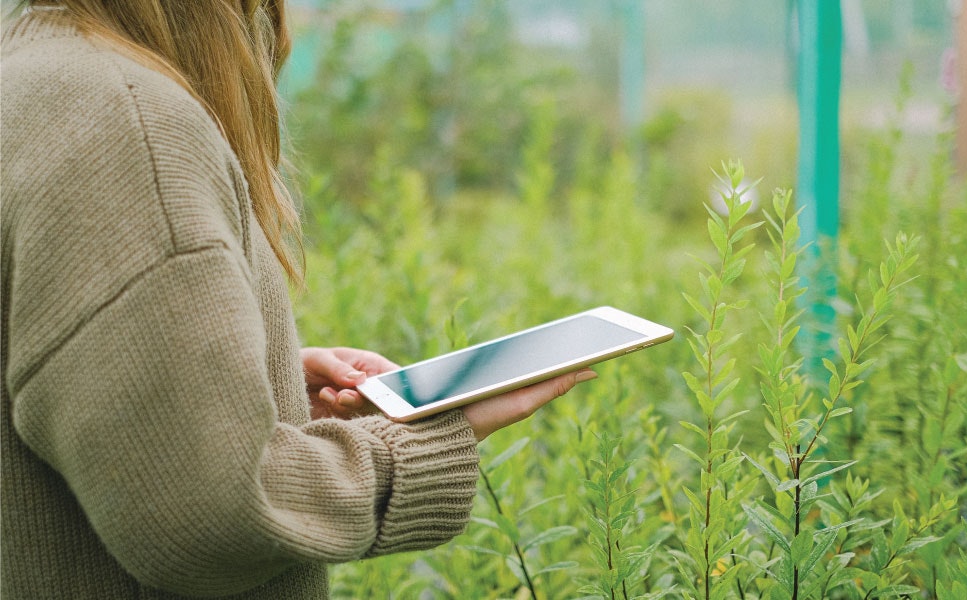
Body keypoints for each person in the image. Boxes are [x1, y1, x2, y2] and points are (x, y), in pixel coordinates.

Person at [0, 2, 597, 598]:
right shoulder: (130, 125)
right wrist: (421, 445)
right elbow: (210, 515)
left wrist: (257, 384)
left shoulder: (31, 77)